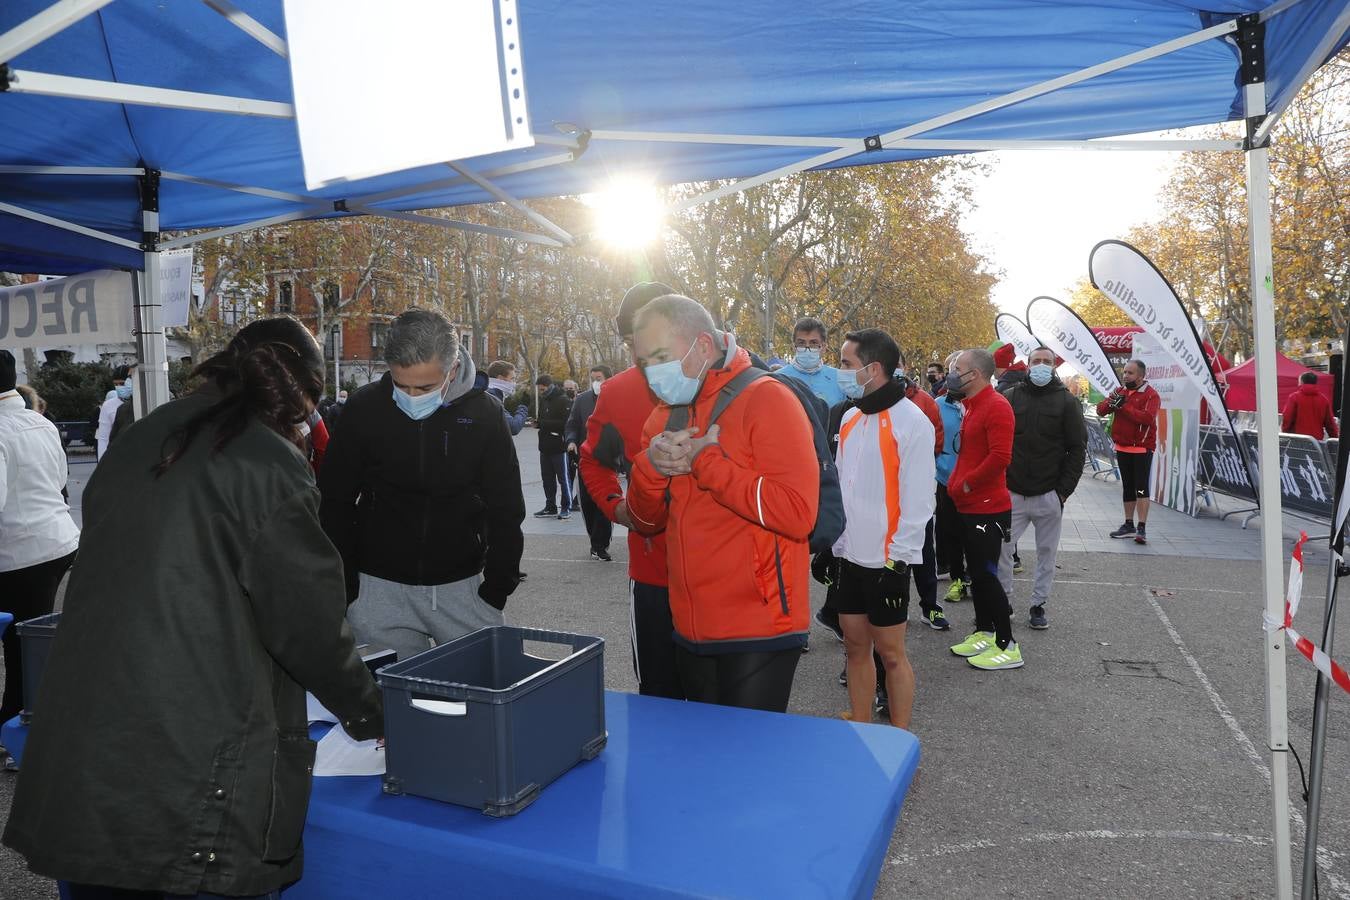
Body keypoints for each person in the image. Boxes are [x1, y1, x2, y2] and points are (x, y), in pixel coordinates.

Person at [2, 319, 383, 899]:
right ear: (301, 394)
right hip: (194, 747)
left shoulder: (146, 432)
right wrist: (371, 713)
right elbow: (309, 628)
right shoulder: (270, 464)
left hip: (90, 728)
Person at [627, 294, 819, 712]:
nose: (651, 372)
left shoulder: (768, 398)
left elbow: (797, 513)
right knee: (707, 764)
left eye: (660, 356)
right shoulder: (663, 416)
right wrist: (651, 467)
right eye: (644, 362)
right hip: (690, 627)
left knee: (750, 768)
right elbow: (645, 521)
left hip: (761, 628)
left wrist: (706, 462)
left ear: (702, 345)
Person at [319, 308, 525, 662]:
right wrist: (349, 586)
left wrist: (497, 587)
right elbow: (334, 501)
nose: (412, 396)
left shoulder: (485, 415)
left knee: (476, 708)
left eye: (426, 387)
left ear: (453, 369)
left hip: (463, 591)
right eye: (401, 385)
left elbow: (505, 507)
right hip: (376, 593)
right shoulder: (364, 408)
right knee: (388, 710)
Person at [580, 282, 685, 699]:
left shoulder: (731, 385)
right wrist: (616, 507)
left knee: (722, 708)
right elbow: (592, 459)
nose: (638, 353)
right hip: (654, 575)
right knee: (659, 694)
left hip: (723, 577)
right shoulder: (619, 392)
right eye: (630, 343)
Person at [832, 331, 936, 727]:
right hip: (850, 557)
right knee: (855, 648)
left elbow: (919, 501)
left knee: (891, 654)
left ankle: (899, 735)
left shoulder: (913, 422)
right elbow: (842, 486)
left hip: (887, 561)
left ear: (872, 369)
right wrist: (833, 545)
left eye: (845, 363)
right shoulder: (850, 416)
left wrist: (900, 561)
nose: (839, 370)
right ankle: (860, 724)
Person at [0, 351, 79, 760]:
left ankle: (18, 733)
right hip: (55, 541)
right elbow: (61, 478)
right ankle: (20, 724)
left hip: (19, 551)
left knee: (22, 647)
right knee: (28, 643)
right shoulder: (40, 421)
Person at [945, 348, 1023, 670]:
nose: (951, 372)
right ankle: (985, 632)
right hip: (969, 505)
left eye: (957, 368)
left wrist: (967, 483)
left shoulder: (996, 406)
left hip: (987, 508)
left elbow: (1000, 457)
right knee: (976, 575)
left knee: (987, 576)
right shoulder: (971, 406)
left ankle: (1008, 645)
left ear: (974, 374)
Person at [998, 347, 1086, 630]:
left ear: (1054, 367)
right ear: (1027, 365)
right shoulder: (1010, 397)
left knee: (1046, 553)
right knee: (1002, 549)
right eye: (1036, 361)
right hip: (1013, 493)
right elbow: (997, 443)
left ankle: (1039, 605)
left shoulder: (1067, 402)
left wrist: (1062, 493)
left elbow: (1077, 449)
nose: (1040, 366)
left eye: (1047, 362)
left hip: (1049, 494)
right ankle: (1004, 603)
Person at [1097, 358, 1161, 545]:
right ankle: (1128, 524)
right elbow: (1101, 410)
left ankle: (1141, 527)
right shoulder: (1120, 391)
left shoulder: (1151, 395)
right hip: (1122, 446)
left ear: (1141, 376)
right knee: (1127, 487)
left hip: (1141, 449)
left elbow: (1147, 418)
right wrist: (1111, 403)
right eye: (1124, 372)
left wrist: (1123, 406)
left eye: (1130, 373)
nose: (1125, 375)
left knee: (1141, 488)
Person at [566, 365, 614, 561]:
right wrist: (570, 441)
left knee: (603, 503)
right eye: (593, 378)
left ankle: (599, 545)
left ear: (608, 379)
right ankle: (595, 540)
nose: (596, 382)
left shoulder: (616, 398)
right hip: (585, 460)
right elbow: (572, 424)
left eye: (600, 377)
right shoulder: (582, 399)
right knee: (587, 503)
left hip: (607, 461)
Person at [934, 352, 968, 598]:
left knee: (975, 534)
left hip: (977, 480)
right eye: (951, 370)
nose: (954, 375)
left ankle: (976, 576)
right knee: (950, 530)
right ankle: (957, 577)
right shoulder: (937, 405)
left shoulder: (984, 403)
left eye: (959, 369)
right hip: (946, 477)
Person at [778, 316, 847, 408]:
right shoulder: (779, 378)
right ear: (793, 346)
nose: (807, 348)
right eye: (801, 343)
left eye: (813, 343)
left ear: (823, 347)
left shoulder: (840, 379)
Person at [533, 374, 574, 520]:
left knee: (563, 478)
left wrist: (543, 424)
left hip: (558, 447)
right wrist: (538, 423)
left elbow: (566, 424)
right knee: (547, 479)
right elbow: (543, 419)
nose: (541, 392)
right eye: (540, 390)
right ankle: (550, 506)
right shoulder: (544, 400)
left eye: (543, 389)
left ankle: (566, 507)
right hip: (544, 446)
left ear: (549, 386)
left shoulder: (563, 400)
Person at [1282, 371, 1339, 440]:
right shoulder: (1323, 399)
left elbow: (1287, 418)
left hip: (1297, 439)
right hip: (1316, 441)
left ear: (1302, 382)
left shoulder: (1294, 397)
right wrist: (1335, 438)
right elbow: (1330, 423)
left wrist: (1284, 434)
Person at [94, 364, 134, 460]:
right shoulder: (108, 406)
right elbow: (103, 438)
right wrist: (102, 463)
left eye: (122, 384)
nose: (118, 387)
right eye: (116, 384)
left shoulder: (142, 402)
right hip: (119, 455)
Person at [486, 360, 528, 435]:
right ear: (500, 378)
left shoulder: (487, 392)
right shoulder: (492, 397)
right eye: (512, 379)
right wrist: (523, 407)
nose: (514, 383)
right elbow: (513, 427)